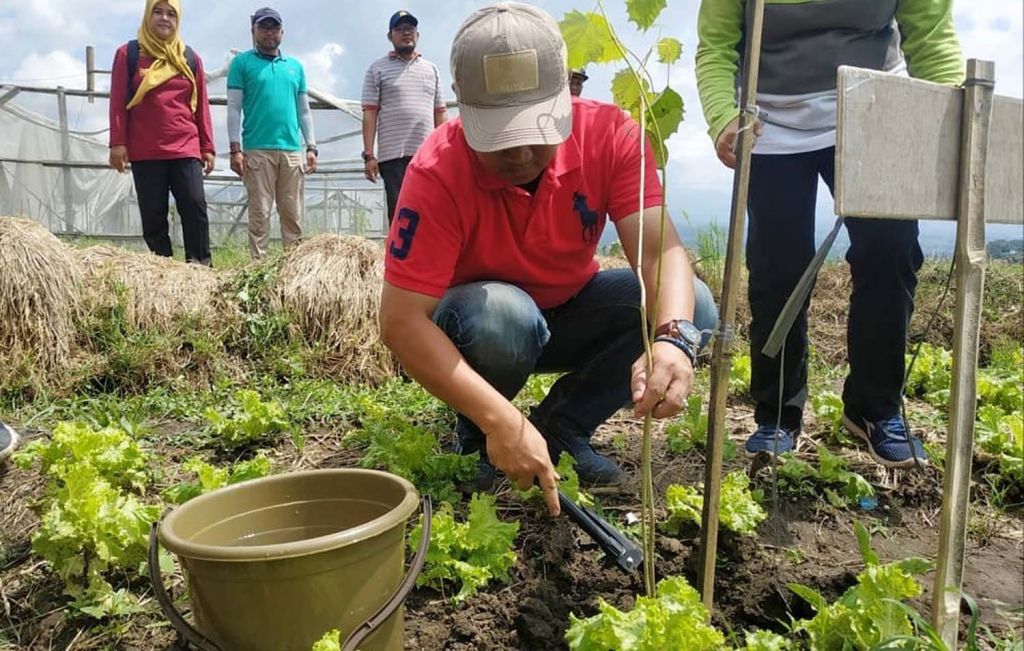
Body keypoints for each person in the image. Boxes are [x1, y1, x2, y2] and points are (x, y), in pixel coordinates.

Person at [378, 3, 718, 516]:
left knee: (697, 305)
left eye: (533, 130)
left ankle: (562, 426)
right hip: (483, 327)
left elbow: (659, 251)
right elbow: (401, 322)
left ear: (565, 96)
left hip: (571, 309)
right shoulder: (436, 170)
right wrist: (501, 422)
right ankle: (480, 432)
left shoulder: (611, 135)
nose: (518, 153)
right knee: (501, 315)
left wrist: (673, 339)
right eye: (499, 136)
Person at [695, 0, 963, 467]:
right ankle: (777, 413)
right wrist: (724, 115)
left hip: (876, 106)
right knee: (777, 267)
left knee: (890, 250)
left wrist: (954, 119)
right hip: (770, 123)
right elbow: (717, 47)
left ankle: (873, 409)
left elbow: (931, 35)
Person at [109, 0, 215, 266]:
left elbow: (201, 103)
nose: (164, 18)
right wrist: (118, 143)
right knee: (154, 215)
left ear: (178, 20)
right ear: (147, 15)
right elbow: (118, 101)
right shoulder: (128, 54)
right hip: (146, 149)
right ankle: (162, 267)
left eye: (171, 14)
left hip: (185, 146)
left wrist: (207, 146)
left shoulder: (189, 57)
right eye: (158, 11)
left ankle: (200, 267)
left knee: (194, 205)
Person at [227, 7, 318, 259]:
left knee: (292, 214)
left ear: (282, 32)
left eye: (274, 27)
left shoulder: (295, 67)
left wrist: (311, 146)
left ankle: (294, 268)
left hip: (291, 151)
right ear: (253, 30)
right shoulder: (242, 64)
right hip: (257, 150)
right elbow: (234, 108)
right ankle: (258, 269)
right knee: (260, 213)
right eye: (263, 27)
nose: (269, 32)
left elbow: (304, 110)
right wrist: (235, 148)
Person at [361, 10, 447, 226]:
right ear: (390, 36)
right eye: (399, 29)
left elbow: (440, 114)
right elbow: (369, 113)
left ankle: (429, 257)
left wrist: (445, 152)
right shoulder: (377, 69)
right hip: (393, 156)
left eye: (410, 29)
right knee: (400, 212)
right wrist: (369, 155)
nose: (405, 33)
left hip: (427, 155)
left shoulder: (432, 70)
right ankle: (399, 259)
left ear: (417, 34)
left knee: (430, 209)